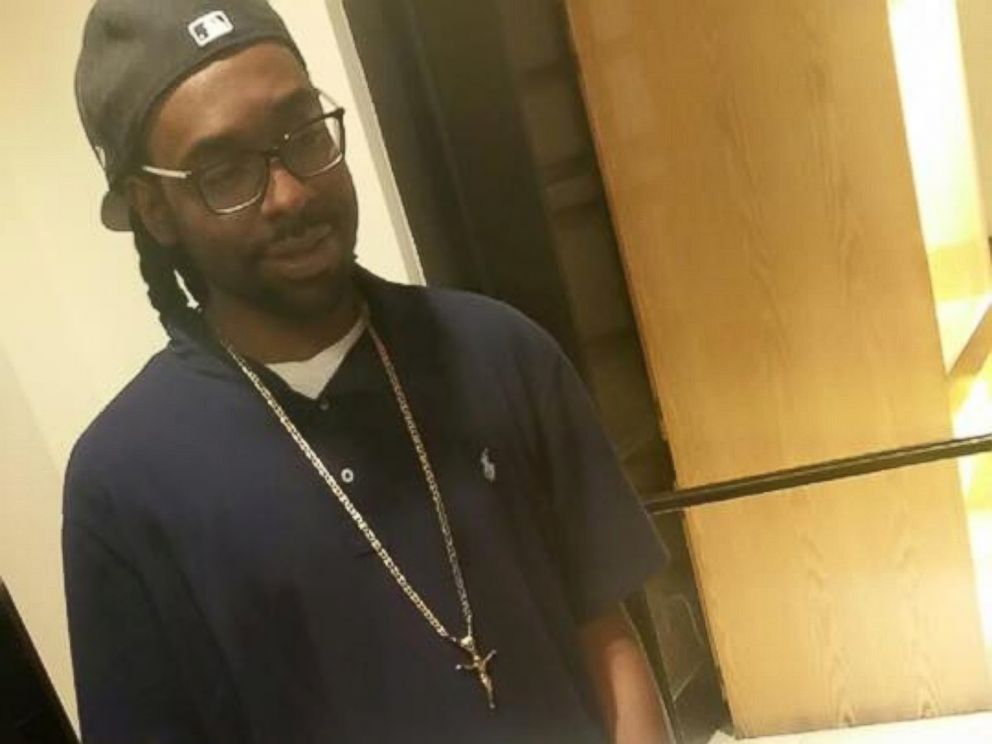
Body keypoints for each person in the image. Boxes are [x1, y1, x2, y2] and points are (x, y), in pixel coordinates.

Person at [64, 1, 671, 742]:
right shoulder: (124, 482)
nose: (290, 193)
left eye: (303, 133)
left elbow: (605, 630)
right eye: (224, 171)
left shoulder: (499, 352)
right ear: (153, 207)